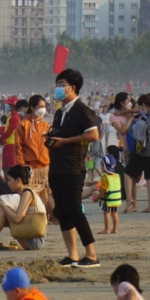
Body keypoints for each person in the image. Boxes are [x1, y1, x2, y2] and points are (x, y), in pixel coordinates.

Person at [48, 68, 101, 268]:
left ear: (73, 87)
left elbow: (93, 135)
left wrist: (66, 141)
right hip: (57, 166)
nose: (58, 88)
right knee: (61, 211)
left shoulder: (82, 110)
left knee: (74, 210)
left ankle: (91, 254)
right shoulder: (60, 112)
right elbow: (58, 134)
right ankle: (72, 254)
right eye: (57, 84)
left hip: (73, 167)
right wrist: (51, 139)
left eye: (62, 84)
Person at [123, 94, 150, 214]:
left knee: (127, 173)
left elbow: (149, 130)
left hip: (145, 152)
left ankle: (129, 199)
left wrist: (139, 124)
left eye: (140, 106)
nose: (140, 109)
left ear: (144, 105)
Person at [15, 94, 51, 200]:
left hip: (45, 167)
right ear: (32, 107)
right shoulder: (23, 125)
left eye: (44, 106)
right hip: (29, 167)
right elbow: (18, 147)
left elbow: (51, 147)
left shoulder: (47, 126)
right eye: (40, 106)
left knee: (46, 198)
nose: (43, 109)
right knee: (30, 198)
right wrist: (21, 165)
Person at [0, 97, 27, 174]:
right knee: (5, 168)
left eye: (9, 105)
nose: (8, 106)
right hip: (7, 144)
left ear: (13, 106)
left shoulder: (15, 117)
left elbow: (9, 131)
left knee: (11, 168)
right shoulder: (11, 116)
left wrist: (1, 138)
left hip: (12, 144)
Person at [97, 155, 121, 234]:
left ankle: (107, 229)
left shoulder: (105, 177)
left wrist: (97, 197)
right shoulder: (116, 176)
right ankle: (115, 229)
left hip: (108, 199)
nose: (100, 167)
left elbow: (103, 191)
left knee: (106, 213)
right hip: (116, 199)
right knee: (115, 214)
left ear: (105, 167)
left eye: (101, 165)